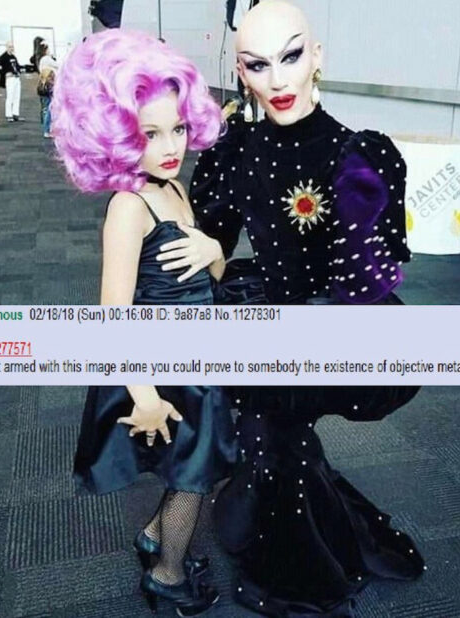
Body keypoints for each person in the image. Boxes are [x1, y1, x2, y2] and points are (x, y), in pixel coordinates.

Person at [179, 1, 425, 615]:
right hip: (263, 312)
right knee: (271, 444)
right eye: (257, 64)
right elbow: (215, 239)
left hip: (331, 327)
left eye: (291, 57)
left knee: (271, 441)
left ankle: (303, 572)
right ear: (240, 71)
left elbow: (363, 284)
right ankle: (316, 549)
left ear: (318, 57)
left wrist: (358, 237)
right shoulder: (236, 148)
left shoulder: (356, 154)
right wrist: (207, 247)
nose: (277, 80)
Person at [51, 29, 234, 616]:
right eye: (150, 134)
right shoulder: (129, 206)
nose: (170, 145)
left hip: (199, 356)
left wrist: (212, 248)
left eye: (177, 128)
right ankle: (167, 575)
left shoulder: (175, 187)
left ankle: (156, 539)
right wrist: (145, 394)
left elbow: (213, 273)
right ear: (117, 135)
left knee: (197, 466)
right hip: (160, 365)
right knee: (192, 476)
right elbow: (113, 314)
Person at [0, 41, 23, 122]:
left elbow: (17, 66)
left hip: (16, 78)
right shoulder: (3, 57)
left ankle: (15, 114)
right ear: (6, 47)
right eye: (9, 47)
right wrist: (4, 74)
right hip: (10, 80)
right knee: (10, 97)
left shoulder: (13, 57)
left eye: (12, 47)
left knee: (17, 97)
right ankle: (9, 114)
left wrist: (20, 71)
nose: (11, 48)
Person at [36, 67, 54, 138]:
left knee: (45, 111)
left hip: (43, 97)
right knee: (48, 113)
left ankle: (46, 129)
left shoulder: (41, 82)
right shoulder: (49, 83)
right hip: (47, 97)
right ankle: (47, 130)